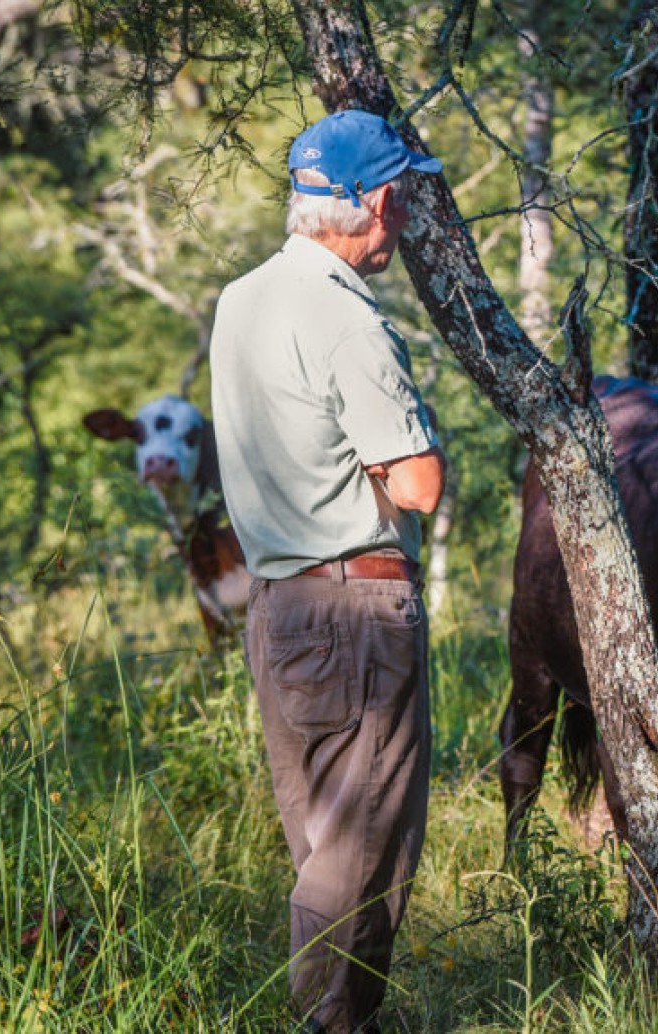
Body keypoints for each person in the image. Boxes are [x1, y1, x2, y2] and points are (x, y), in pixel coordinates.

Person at [210, 108, 447, 1033]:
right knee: (362, 854)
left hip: (278, 608)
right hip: (356, 606)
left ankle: (347, 1023)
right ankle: (325, 1026)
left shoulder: (241, 298)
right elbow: (420, 484)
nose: (405, 218)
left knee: (326, 843)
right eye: (404, 196)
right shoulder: (347, 317)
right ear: (378, 201)